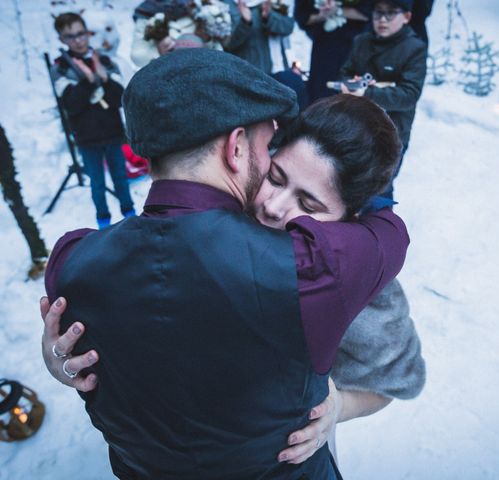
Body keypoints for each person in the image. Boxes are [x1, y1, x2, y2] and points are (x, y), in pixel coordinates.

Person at [42, 49, 408, 479]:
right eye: (274, 172)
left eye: (309, 203)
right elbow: (392, 233)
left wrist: (339, 406)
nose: (274, 206)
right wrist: (65, 361)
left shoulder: (72, 259)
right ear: (236, 148)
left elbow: (390, 381)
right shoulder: (324, 266)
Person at [51, 12, 135, 229]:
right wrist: (88, 81)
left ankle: (131, 217)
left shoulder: (104, 60)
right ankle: (103, 224)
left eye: (81, 33)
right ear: (61, 39)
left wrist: (104, 77)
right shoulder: (60, 68)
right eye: (70, 36)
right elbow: (71, 104)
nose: (78, 40)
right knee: (97, 184)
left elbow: (119, 98)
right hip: (87, 139)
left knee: (121, 179)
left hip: (113, 133)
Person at [339, 0, 427, 199]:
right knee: (350, 182)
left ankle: (382, 227)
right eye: (378, 13)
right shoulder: (361, 41)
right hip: (357, 125)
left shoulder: (414, 48)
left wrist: (369, 94)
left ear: (407, 17)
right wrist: (351, 82)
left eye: (391, 14)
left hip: (392, 131)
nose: (383, 20)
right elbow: (345, 72)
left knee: (380, 188)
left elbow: (409, 95)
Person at [294, 0, 371, 102]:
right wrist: (324, 14)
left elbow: (370, 12)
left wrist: (338, 10)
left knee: (355, 91)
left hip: (357, 43)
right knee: (322, 92)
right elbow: (303, 17)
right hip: (324, 46)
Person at [0, 124, 48, 279]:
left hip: (6, 175)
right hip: (6, 173)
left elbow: (4, 154)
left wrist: (7, 178)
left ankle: (40, 255)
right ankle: (39, 254)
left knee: (20, 211)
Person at [223, 0, 295, 73]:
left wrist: (268, 17)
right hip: (249, 73)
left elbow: (289, 27)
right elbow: (229, 44)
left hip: (279, 68)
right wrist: (245, 23)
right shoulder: (227, 4)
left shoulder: (270, 2)